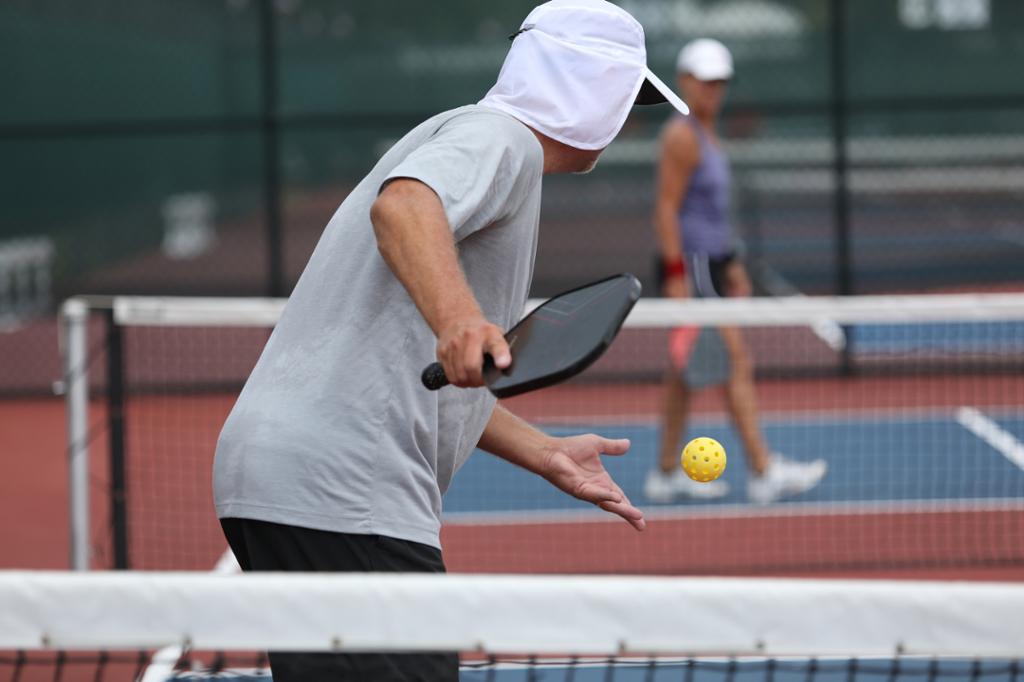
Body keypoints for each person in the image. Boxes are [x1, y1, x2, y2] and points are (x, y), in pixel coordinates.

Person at [212, 2, 690, 681]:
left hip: (276, 475)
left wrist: (546, 451)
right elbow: (403, 205)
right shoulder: (504, 141)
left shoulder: (463, 135)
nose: (628, 116)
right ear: (588, 84)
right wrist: (460, 317)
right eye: (627, 91)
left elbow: (414, 369)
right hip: (347, 491)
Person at [643, 38, 827, 506]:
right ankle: (763, 471)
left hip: (714, 265)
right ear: (684, 82)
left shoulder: (707, 134)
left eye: (720, 82)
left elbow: (712, 213)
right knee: (736, 363)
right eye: (705, 81)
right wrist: (678, 274)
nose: (714, 90)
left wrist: (735, 260)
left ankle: (665, 473)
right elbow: (666, 210)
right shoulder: (681, 136)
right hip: (695, 267)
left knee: (684, 371)